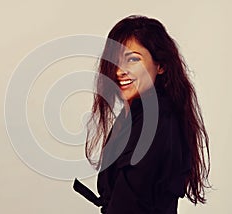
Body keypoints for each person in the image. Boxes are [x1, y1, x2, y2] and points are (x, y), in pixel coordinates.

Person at [73, 15, 211, 214]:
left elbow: (128, 205)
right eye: (115, 60)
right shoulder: (135, 116)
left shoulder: (155, 121)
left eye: (132, 59)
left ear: (161, 65)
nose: (120, 71)